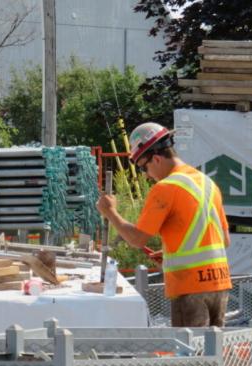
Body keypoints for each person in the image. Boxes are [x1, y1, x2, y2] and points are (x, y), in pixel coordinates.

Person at [95, 122, 231, 327]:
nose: (146, 175)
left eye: (143, 167)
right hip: (219, 283)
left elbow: (137, 239)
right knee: (213, 352)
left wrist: (110, 212)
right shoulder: (207, 182)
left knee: (191, 354)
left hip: (189, 286)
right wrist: (171, 254)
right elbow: (224, 240)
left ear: (156, 158)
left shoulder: (166, 188)